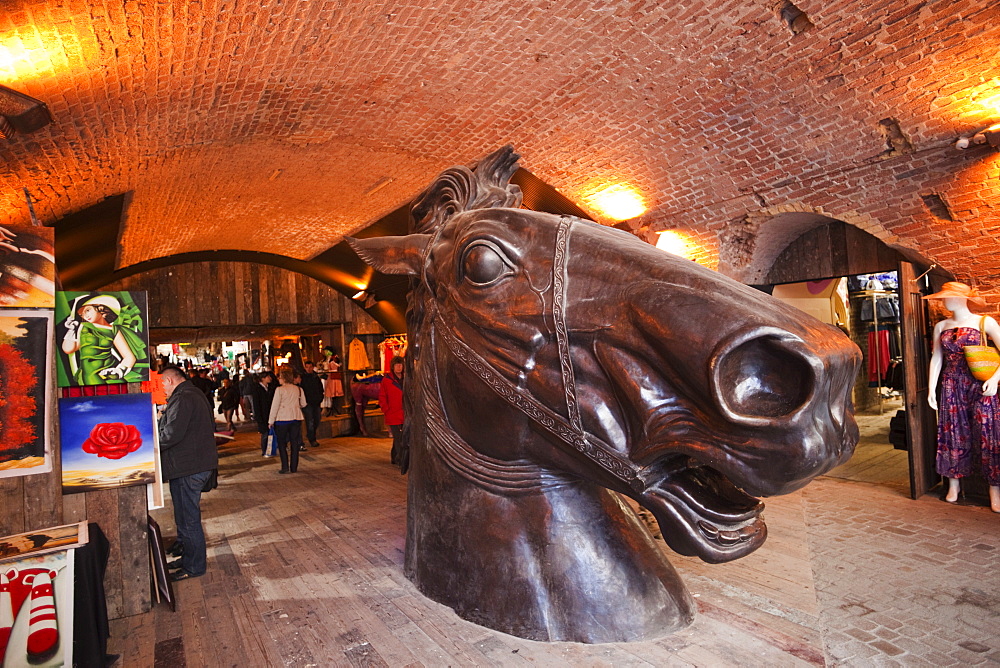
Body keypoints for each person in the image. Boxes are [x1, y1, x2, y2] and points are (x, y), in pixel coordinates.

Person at [925, 282, 1000, 512]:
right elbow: (937, 358)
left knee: (989, 434)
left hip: (980, 384)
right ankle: (954, 484)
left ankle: (994, 489)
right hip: (951, 384)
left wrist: (995, 379)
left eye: (946, 297)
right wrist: (931, 388)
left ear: (960, 299)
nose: (942, 301)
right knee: (952, 432)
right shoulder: (941, 326)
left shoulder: (984, 322)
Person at [158, 365, 218, 581]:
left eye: (161, 384)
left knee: (188, 520)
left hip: (189, 467)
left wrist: (149, 442)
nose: (161, 389)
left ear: (169, 381)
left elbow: (172, 434)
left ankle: (194, 567)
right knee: (184, 518)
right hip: (191, 465)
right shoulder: (192, 393)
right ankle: (188, 558)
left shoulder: (184, 397)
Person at [60, 293, 147, 384]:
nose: (85, 316)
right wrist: (71, 330)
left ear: (100, 308)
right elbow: (68, 349)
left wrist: (118, 371)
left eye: (87, 310)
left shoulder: (114, 329)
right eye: (81, 314)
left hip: (110, 373)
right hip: (90, 374)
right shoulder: (83, 327)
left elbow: (129, 357)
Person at [268, 368, 307, 473]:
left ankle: (285, 466)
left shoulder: (279, 390)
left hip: (282, 419)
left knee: (282, 443)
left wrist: (271, 421)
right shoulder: (298, 389)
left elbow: (275, 406)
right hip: (296, 418)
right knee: (294, 443)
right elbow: (303, 403)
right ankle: (294, 467)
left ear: (284, 378)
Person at [379, 356, 406, 469]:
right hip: (392, 413)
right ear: (392, 367)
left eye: (400, 365)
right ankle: (401, 459)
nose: (399, 367)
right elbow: (382, 396)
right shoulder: (387, 380)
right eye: (397, 365)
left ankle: (394, 456)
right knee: (399, 437)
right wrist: (386, 409)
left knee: (402, 437)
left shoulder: (406, 379)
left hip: (405, 413)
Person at [299, 360, 324, 447]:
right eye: (307, 367)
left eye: (310, 367)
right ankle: (312, 439)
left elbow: (320, 388)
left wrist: (320, 398)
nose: (309, 369)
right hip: (307, 403)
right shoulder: (302, 377)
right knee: (310, 421)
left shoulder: (315, 376)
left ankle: (311, 434)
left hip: (316, 402)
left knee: (317, 419)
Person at [251, 372, 275, 456]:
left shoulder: (270, 388)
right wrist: (258, 417)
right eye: (267, 377)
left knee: (270, 433)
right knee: (265, 433)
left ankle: (270, 449)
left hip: (270, 413)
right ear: (263, 378)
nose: (270, 378)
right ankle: (265, 450)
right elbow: (256, 404)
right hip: (262, 414)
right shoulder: (257, 389)